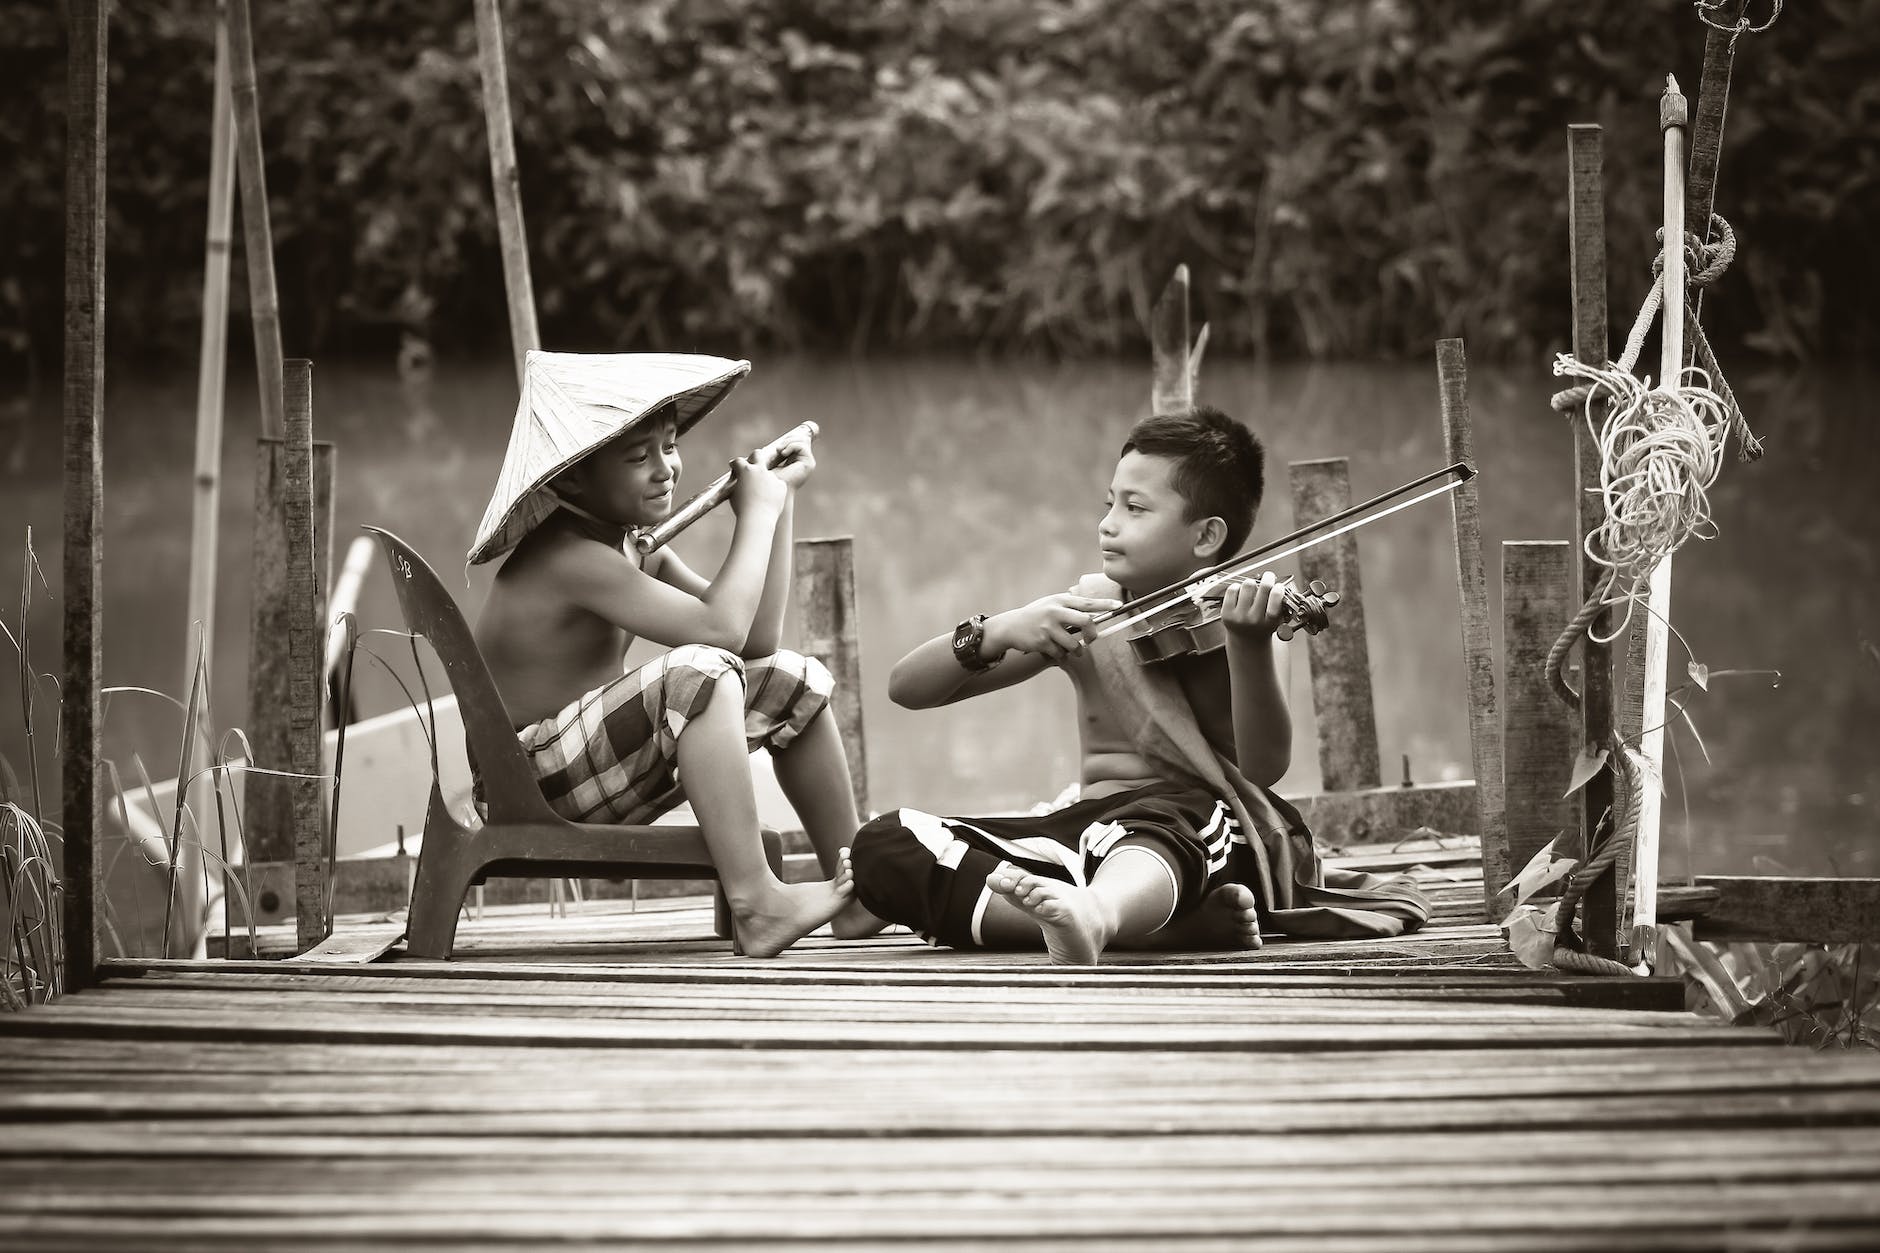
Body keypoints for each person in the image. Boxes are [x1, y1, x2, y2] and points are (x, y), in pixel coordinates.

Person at [850, 405, 1429, 964]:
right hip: (1085, 836)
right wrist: (999, 629)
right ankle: (1131, 930)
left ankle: (1102, 914)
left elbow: (1263, 768)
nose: (1108, 523)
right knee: (885, 844)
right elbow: (908, 688)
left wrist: (1249, 645)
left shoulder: (1243, 621)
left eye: (1135, 508)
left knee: (1174, 820)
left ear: (1205, 537)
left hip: (1198, 837)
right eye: (1109, 504)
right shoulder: (1086, 614)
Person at [467, 350, 878, 957]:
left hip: (592, 769)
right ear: (573, 478)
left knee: (792, 679)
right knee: (700, 673)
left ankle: (864, 892)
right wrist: (755, 516)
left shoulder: (634, 547)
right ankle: (758, 902)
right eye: (639, 457)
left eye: (670, 446)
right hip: (529, 781)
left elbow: (756, 642)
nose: (666, 469)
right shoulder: (566, 557)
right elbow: (719, 635)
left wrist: (778, 502)